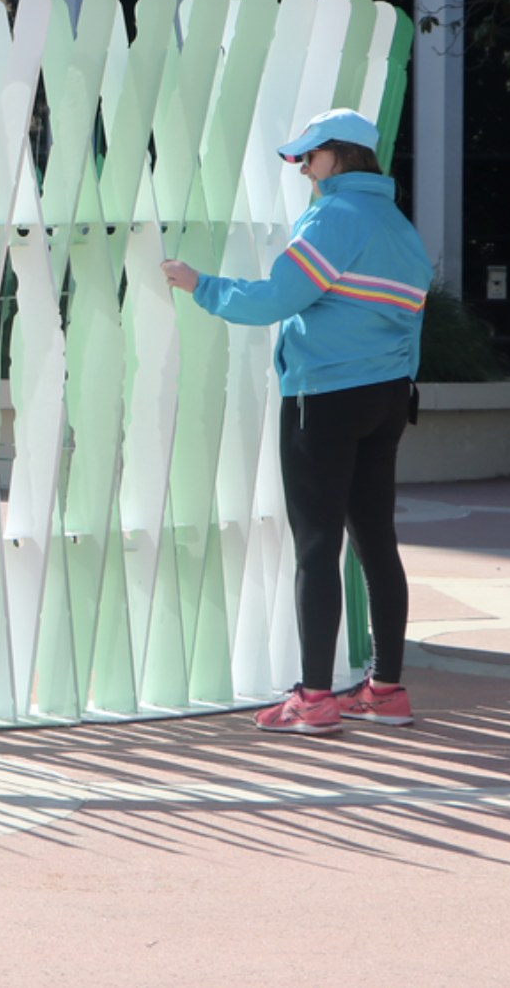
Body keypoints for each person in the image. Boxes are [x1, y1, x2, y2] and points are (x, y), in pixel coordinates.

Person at [161, 108, 433, 736]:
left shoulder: (333, 217)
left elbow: (278, 298)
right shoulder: (401, 228)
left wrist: (198, 284)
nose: (303, 169)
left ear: (339, 156)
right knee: (377, 543)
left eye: (309, 157)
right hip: (389, 395)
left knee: (317, 545)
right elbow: (413, 321)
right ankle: (386, 690)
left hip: (326, 396)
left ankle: (314, 700)